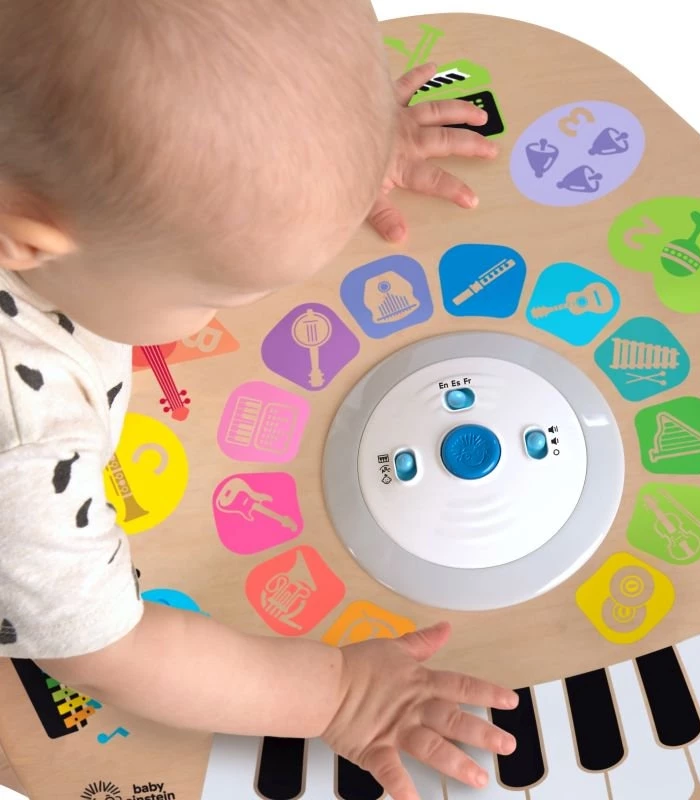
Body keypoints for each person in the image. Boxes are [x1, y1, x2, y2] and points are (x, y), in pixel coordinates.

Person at [0, 2, 518, 798]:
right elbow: (105, 652)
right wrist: (340, 695)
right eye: (216, 292)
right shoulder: (26, 446)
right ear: (27, 240)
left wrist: (333, 159)